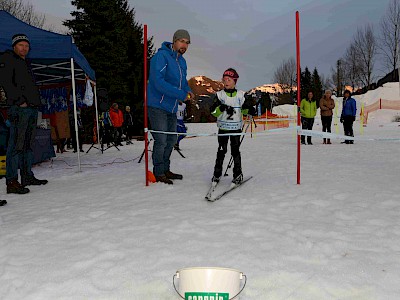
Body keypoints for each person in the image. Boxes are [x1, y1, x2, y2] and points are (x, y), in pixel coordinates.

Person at [0, 33, 48, 194]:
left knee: (27, 145)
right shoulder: (8, 59)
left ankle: (27, 176)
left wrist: (35, 103)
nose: (24, 48)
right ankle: (11, 181)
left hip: (31, 108)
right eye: (21, 45)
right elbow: (6, 82)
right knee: (15, 146)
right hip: (19, 108)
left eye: (27, 46)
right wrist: (20, 101)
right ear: (14, 46)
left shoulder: (26, 63)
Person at [147, 29, 194, 184]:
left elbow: (183, 82)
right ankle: (159, 172)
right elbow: (157, 82)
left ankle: (165, 169)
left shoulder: (182, 62)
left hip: (172, 107)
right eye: (182, 41)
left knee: (171, 139)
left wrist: (188, 91)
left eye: (187, 43)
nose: (184, 45)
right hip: (157, 105)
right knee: (161, 140)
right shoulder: (161, 56)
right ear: (174, 41)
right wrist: (181, 95)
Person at [210, 68, 255, 185]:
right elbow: (213, 113)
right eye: (224, 79)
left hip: (236, 128)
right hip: (223, 128)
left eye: (229, 79)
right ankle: (216, 175)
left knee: (235, 152)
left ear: (235, 81)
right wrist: (220, 108)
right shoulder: (219, 95)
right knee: (221, 151)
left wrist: (250, 108)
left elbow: (244, 112)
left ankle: (238, 174)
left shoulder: (241, 95)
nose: (226, 82)